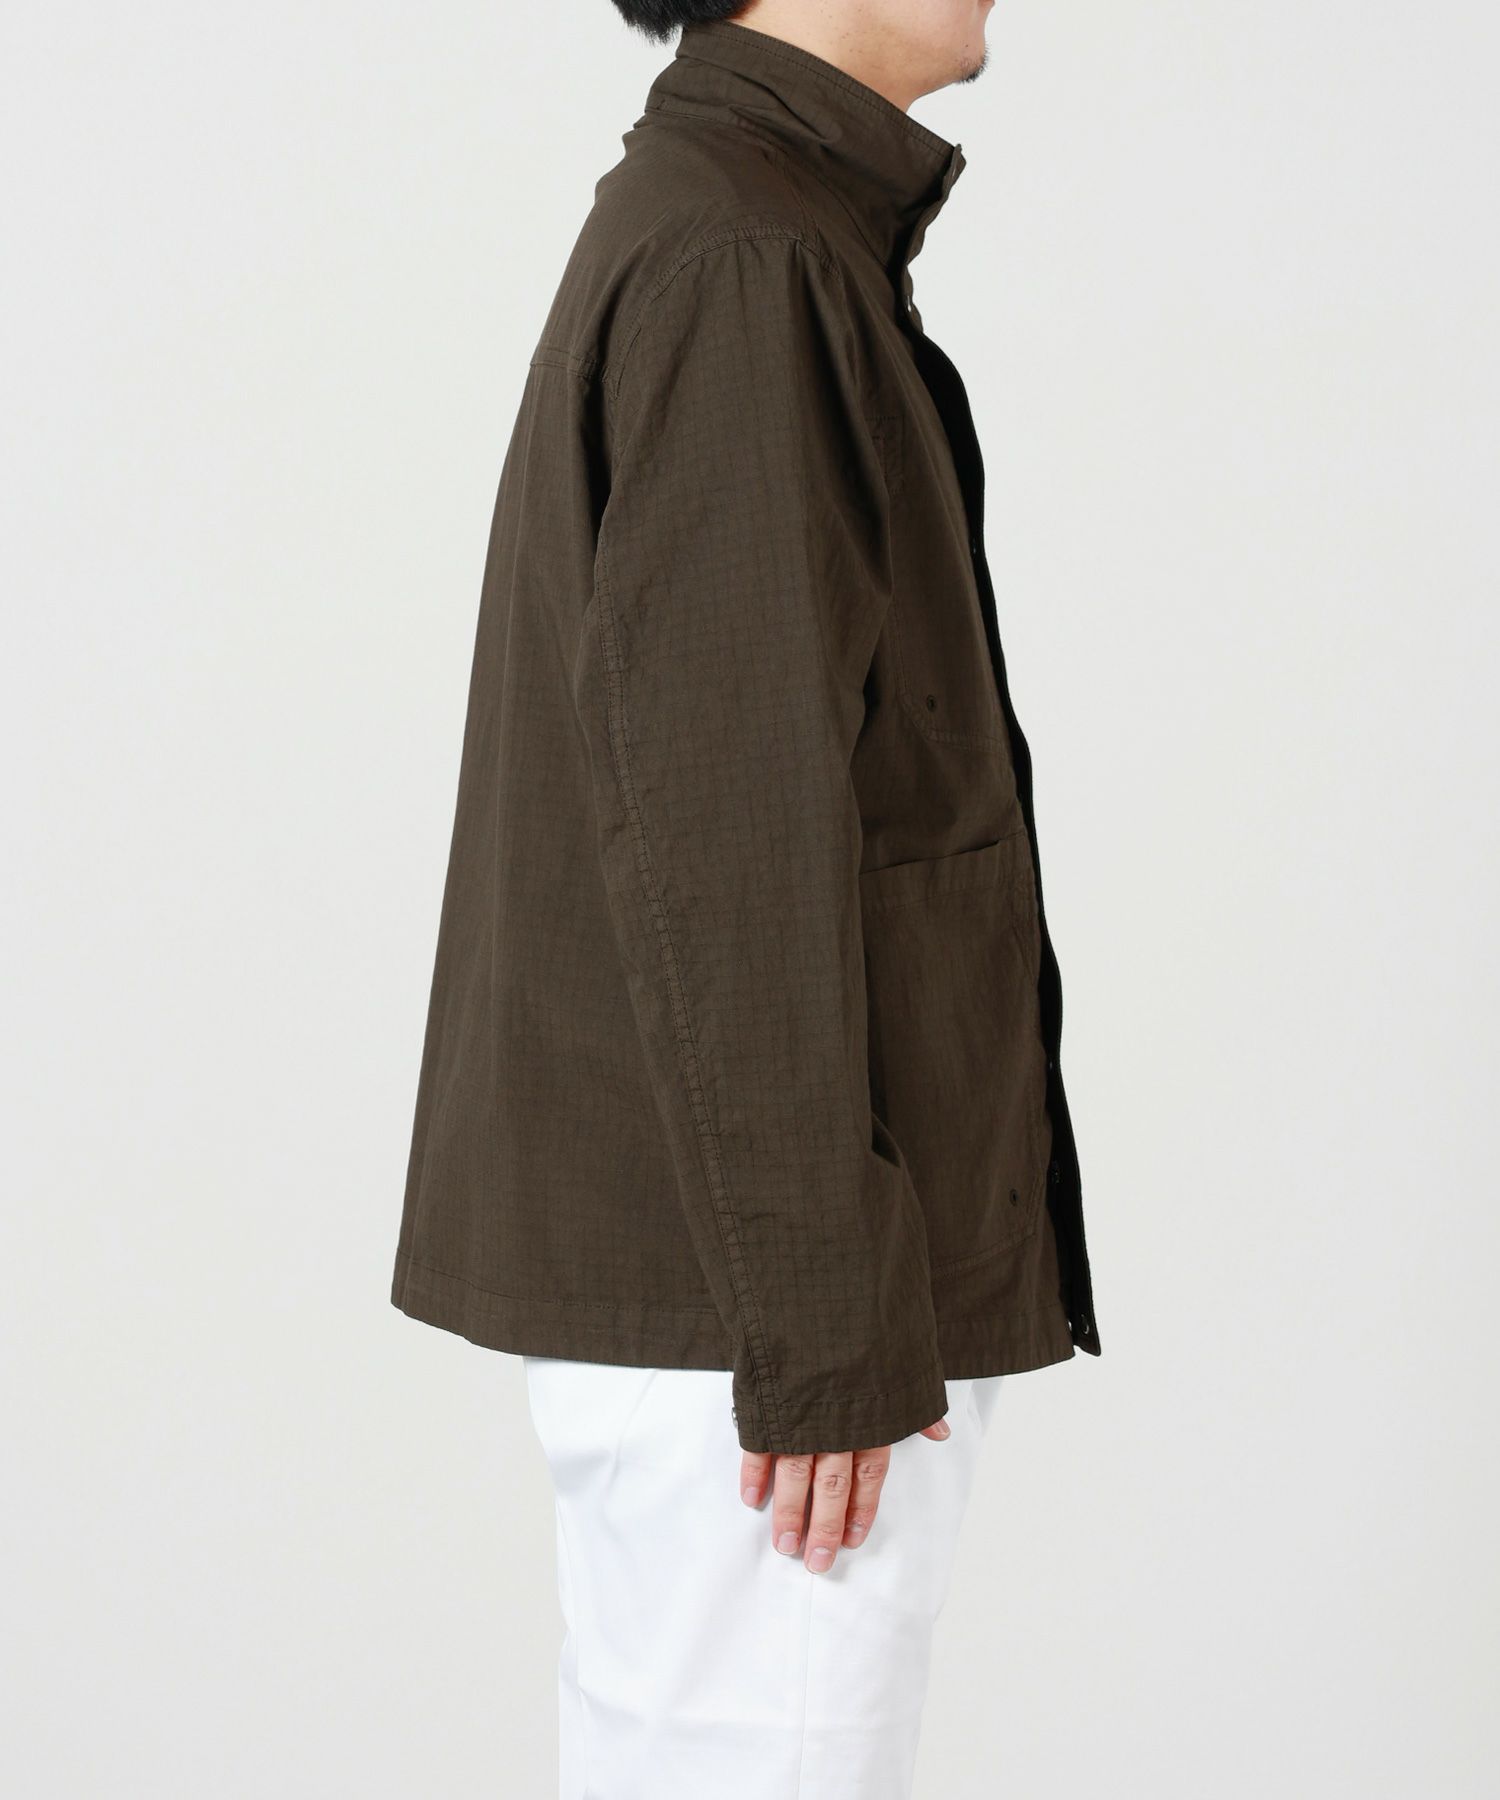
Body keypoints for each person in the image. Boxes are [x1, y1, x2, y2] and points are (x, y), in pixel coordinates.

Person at [391, 3, 1100, 1793]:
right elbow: (725, 831)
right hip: (768, 1306)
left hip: (760, 1288)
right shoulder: (744, 258)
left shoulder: (764, 228)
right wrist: (820, 1324)